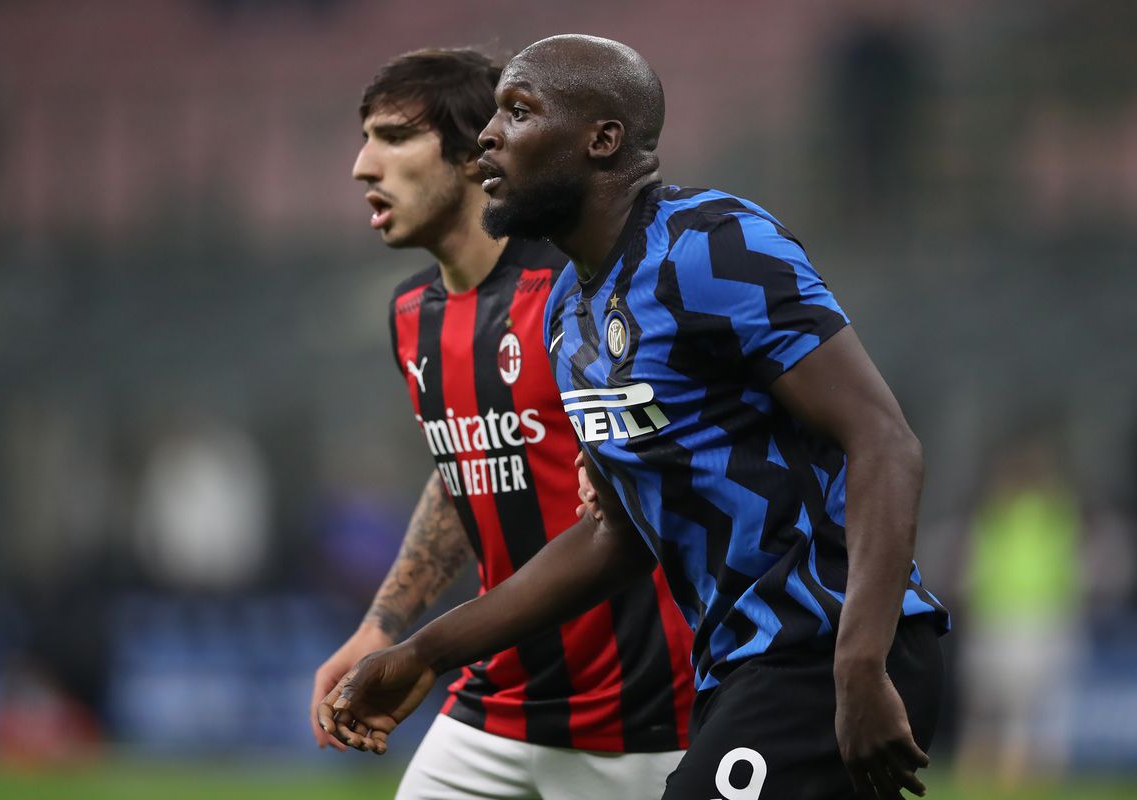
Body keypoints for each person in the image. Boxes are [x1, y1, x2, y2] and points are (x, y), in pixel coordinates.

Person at [319, 36, 950, 800]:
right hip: (739, 666)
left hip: (827, 646)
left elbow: (885, 441)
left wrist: (860, 663)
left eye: (517, 113)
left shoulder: (712, 244)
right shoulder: (568, 312)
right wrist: (424, 650)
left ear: (603, 139)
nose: (488, 135)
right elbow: (614, 536)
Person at [309, 48, 694, 800]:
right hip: (494, 701)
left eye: (393, 137)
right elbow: (466, 472)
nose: (362, 166)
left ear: (471, 155)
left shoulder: (576, 295)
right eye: (365, 139)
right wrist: (382, 626)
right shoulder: (411, 314)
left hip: (639, 711)